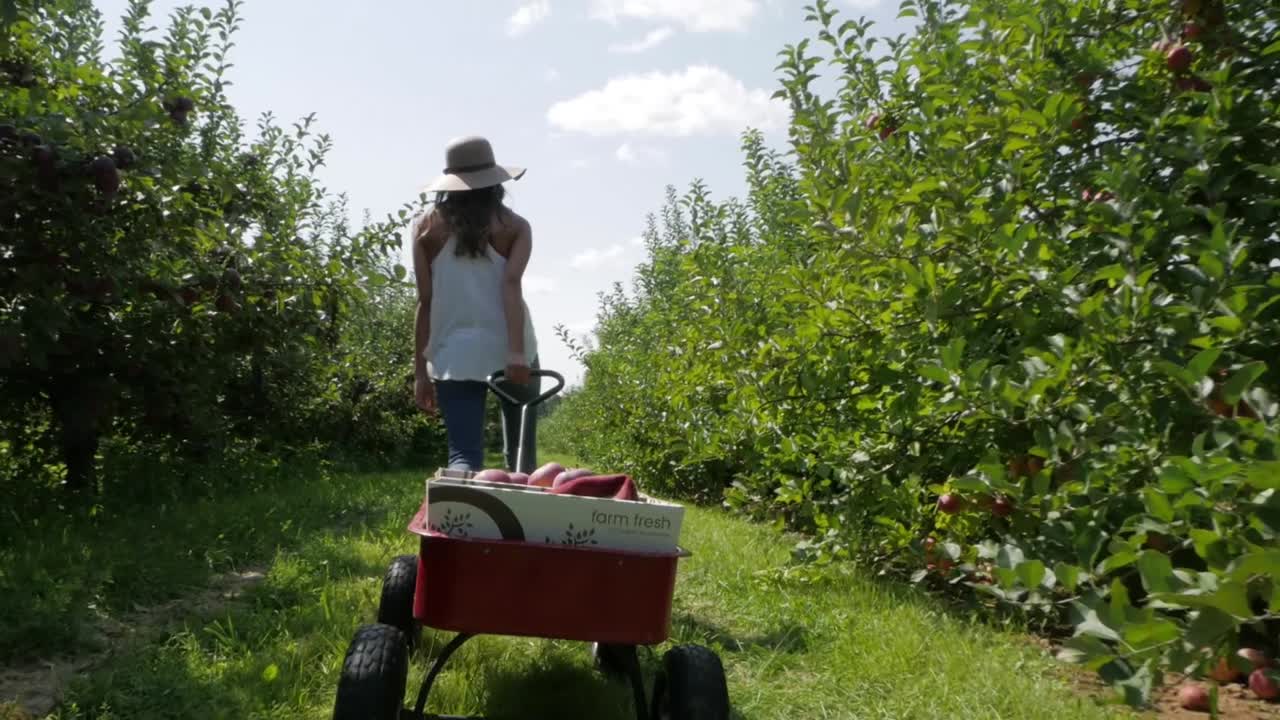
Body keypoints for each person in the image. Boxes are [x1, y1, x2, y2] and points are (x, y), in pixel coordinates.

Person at [411, 135, 541, 474]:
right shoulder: (515, 227)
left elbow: (425, 303)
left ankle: (458, 519)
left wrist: (420, 373)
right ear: (495, 181)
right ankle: (519, 523)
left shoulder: (424, 229)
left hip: (453, 355)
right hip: (514, 350)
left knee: (462, 455)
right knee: (521, 459)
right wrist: (514, 353)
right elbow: (510, 285)